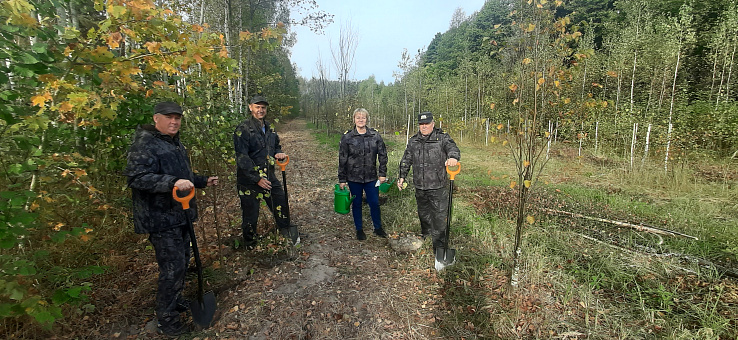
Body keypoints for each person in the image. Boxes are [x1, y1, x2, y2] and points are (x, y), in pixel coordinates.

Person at [124, 101, 218, 336]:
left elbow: (182, 176)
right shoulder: (145, 143)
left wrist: (202, 180)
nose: (174, 121)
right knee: (172, 268)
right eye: (169, 117)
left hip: (180, 214)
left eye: (177, 117)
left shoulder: (175, 143)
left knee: (182, 262)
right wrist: (171, 183)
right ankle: (166, 318)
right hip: (160, 219)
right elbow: (137, 178)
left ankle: (175, 301)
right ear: (156, 119)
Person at [234, 95, 299, 247]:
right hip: (249, 181)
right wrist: (257, 178)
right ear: (251, 107)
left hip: (269, 176)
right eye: (257, 107)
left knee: (280, 202)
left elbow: (276, 145)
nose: (260, 110)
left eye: (263, 107)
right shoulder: (243, 129)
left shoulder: (270, 128)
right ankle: (251, 245)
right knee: (251, 215)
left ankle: (285, 232)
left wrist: (278, 152)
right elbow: (242, 157)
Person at [397, 111, 460, 252]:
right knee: (423, 214)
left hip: (438, 186)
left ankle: (439, 246)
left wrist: (453, 157)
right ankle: (426, 236)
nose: (424, 126)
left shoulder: (441, 138)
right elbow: (406, 159)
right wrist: (402, 176)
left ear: (433, 123)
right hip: (420, 186)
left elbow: (453, 149)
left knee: (439, 216)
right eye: (421, 124)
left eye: (427, 123)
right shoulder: (413, 141)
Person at [338, 108, 389, 240]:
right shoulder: (347, 137)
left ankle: (378, 228)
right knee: (357, 203)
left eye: (363, 117)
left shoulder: (375, 136)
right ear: (354, 119)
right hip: (353, 178)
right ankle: (359, 229)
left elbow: (383, 155)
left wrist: (382, 173)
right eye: (358, 117)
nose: (361, 120)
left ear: (367, 119)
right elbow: (342, 159)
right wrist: (342, 179)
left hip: (371, 177)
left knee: (374, 202)